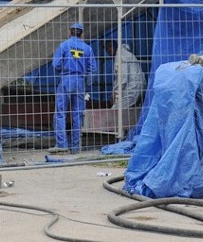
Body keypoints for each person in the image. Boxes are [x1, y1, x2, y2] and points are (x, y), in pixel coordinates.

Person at [50, 22, 97, 154]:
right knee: (77, 114)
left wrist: (63, 71)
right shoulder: (87, 48)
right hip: (80, 81)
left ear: (70, 32)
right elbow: (93, 68)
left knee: (60, 113)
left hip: (66, 79)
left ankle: (62, 145)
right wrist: (87, 81)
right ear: (82, 33)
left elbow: (56, 64)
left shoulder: (64, 45)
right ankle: (75, 147)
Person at [104, 40, 146, 110]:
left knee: (115, 111)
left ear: (113, 46)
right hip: (138, 87)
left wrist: (116, 93)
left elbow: (123, 77)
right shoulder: (126, 53)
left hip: (132, 89)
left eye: (108, 47)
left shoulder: (120, 56)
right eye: (106, 49)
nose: (108, 51)